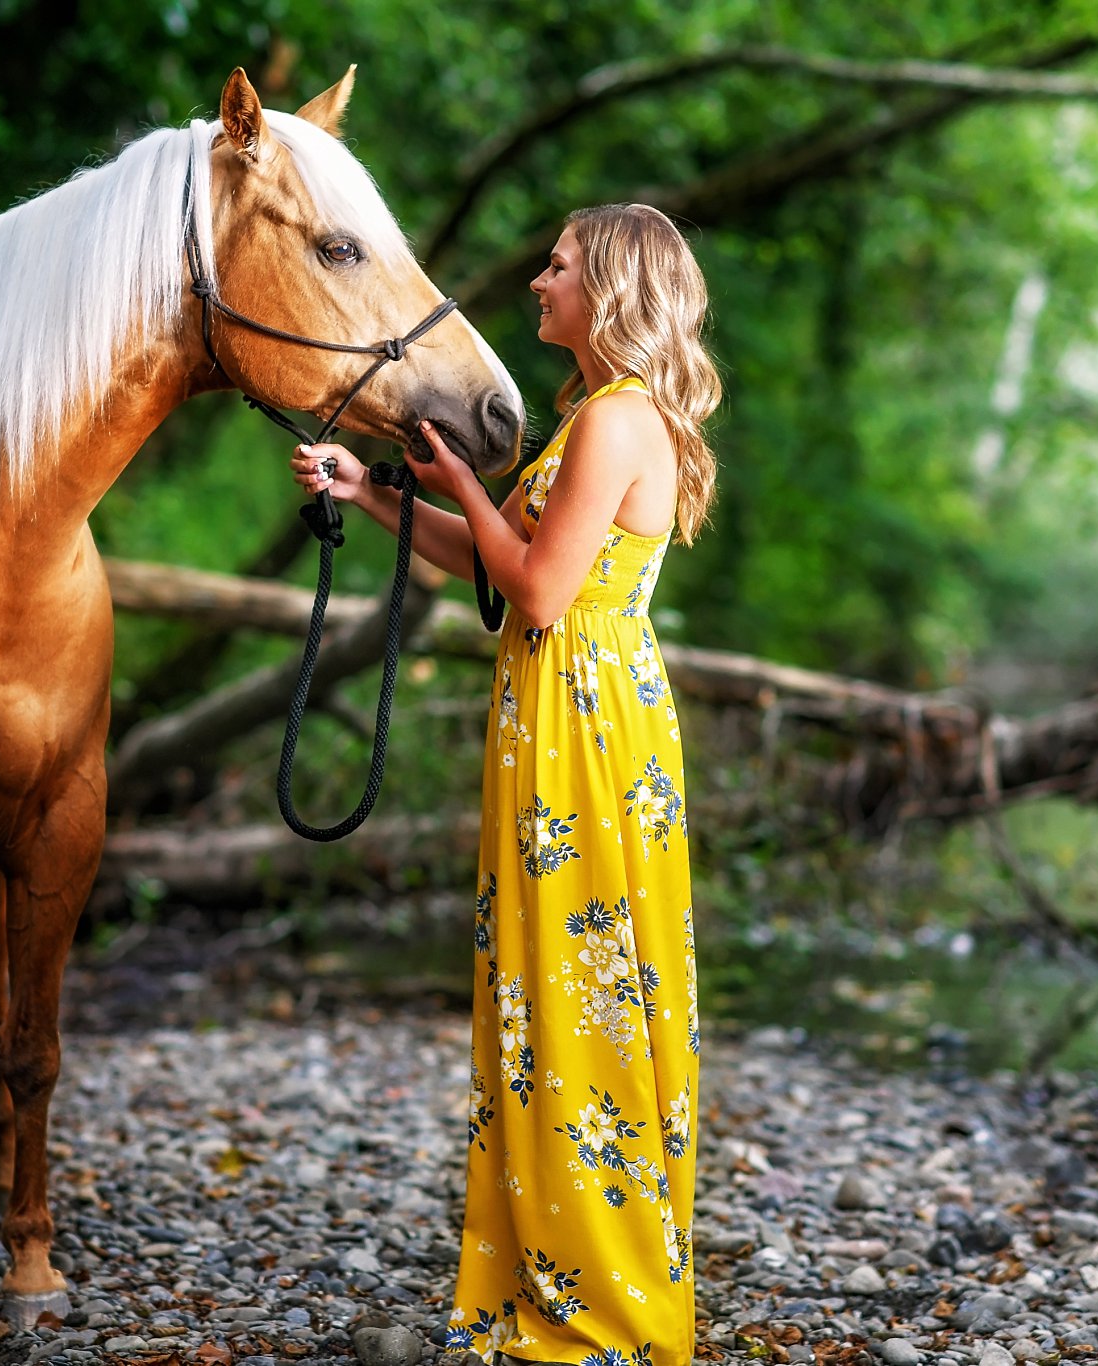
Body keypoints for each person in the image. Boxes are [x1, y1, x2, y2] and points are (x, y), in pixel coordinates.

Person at [290, 202, 722, 1364]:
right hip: (559, 709)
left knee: (581, 991)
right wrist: (373, 492)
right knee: (543, 986)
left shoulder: (615, 421)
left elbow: (534, 588)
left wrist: (460, 486)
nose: (538, 279)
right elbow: (494, 556)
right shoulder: (593, 412)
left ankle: (605, 1300)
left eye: (559, 265)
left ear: (610, 289)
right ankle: (553, 1261)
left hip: (586, 723)